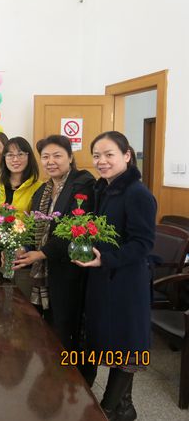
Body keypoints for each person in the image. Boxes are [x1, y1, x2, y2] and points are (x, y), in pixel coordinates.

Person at [75, 131, 156, 420]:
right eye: (97, 155)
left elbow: (143, 243)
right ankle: (125, 407)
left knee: (124, 344)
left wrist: (106, 259)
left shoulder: (137, 194)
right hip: (104, 277)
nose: (102, 161)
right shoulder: (105, 189)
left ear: (127, 155)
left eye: (109, 154)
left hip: (126, 283)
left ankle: (108, 409)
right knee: (111, 342)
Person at [12, 135, 95, 358]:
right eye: (45, 157)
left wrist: (41, 253)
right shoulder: (43, 190)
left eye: (57, 156)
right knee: (49, 325)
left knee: (66, 327)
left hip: (70, 267)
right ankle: (52, 369)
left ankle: (70, 374)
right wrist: (24, 248)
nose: (51, 161)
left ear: (70, 157)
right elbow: (33, 227)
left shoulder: (83, 185)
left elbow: (74, 229)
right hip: (47, 269)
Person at [0, 137, 42, 260]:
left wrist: (21, 247)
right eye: (10, 155)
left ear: (29, 157)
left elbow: (38, 227)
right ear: (4, 158)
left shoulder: (39, 188)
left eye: (20, 154)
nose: (15, 159)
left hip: (22, 254)